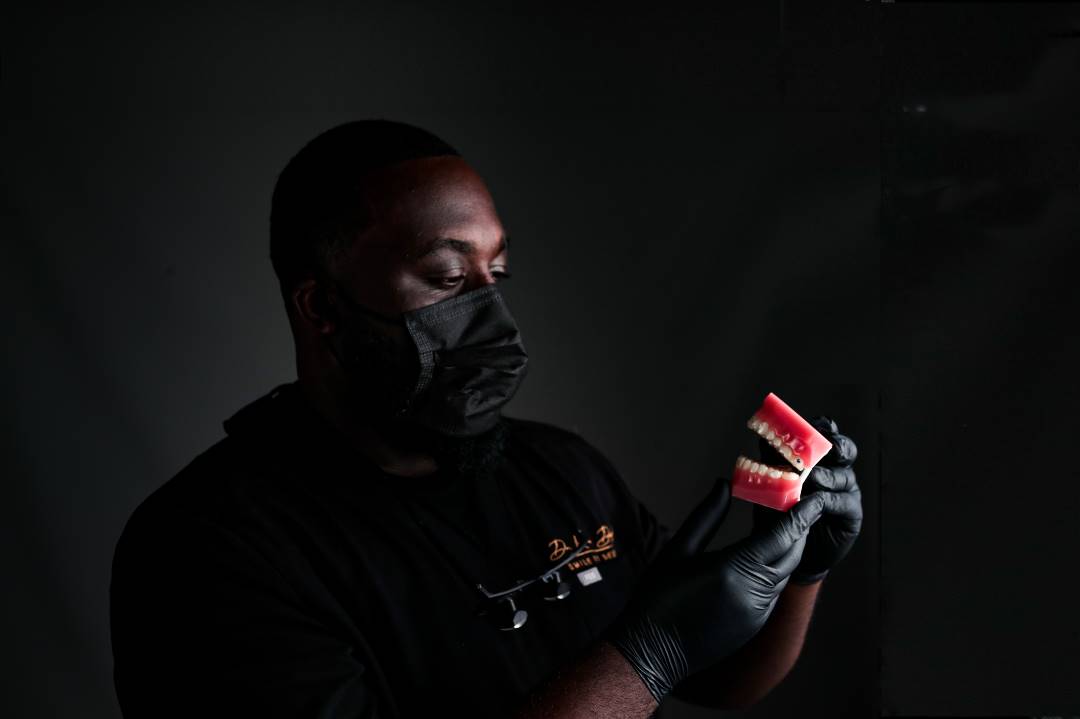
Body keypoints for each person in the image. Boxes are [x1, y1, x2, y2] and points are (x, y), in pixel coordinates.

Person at [109, 119, 863, 718]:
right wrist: (650, 652)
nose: (494, 317)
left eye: (494, 273)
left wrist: (799, 568)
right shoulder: (208, 549)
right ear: (321, 306)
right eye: (446, 277)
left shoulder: (560, 470)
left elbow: (721, 675)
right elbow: (658, 661)